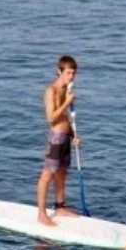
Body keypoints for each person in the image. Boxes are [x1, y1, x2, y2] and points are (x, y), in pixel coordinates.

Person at [37, 55, 79, 227]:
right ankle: (41, 214)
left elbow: (65, 118)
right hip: (55, 138)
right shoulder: (51, 91)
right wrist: (67, 102)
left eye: (73, 73)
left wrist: (74, 136)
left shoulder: (66, 90)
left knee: (62, 172)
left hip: (65, 138)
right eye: (68, 73)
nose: (71, 76)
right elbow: (51, 118)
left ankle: (60, 207)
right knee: (47, 175)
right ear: (59, 71)